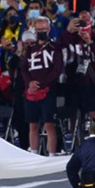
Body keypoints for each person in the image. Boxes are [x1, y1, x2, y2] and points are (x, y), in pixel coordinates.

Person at [21, 16, 63, 156]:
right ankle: (33, 153)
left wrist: (42, 83)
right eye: (38, 29)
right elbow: (24, 68)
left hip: (48, 90)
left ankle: (51, 154)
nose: (41, 32)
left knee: (49, 124)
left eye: (43, 29)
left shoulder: (55, 48)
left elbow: (56, 70)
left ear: (49, 29)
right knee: (33, 124)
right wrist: (29, 83)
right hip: (31, 91)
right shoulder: (30, 48)